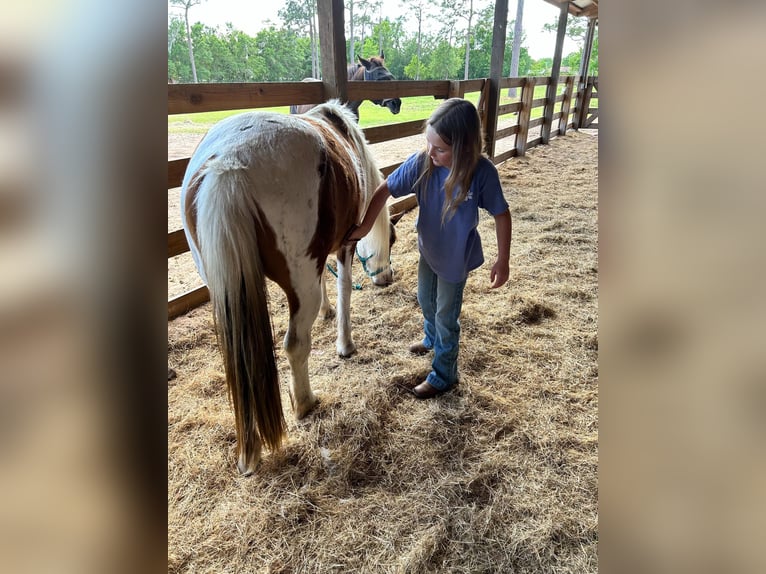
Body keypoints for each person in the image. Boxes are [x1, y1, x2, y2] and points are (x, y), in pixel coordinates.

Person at [345, 98, 512, 399]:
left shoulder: (481, 172)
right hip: (429, 250)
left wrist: (503, 259)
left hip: (455, 260)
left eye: (440, 148)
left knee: (447, 316)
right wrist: (364, 227)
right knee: (425, 299)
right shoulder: (423, 161)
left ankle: (444, 374)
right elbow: (385, 189)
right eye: (429, 143)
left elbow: (501, 213)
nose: (431, 152)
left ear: (462, 148)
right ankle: (430, 337)